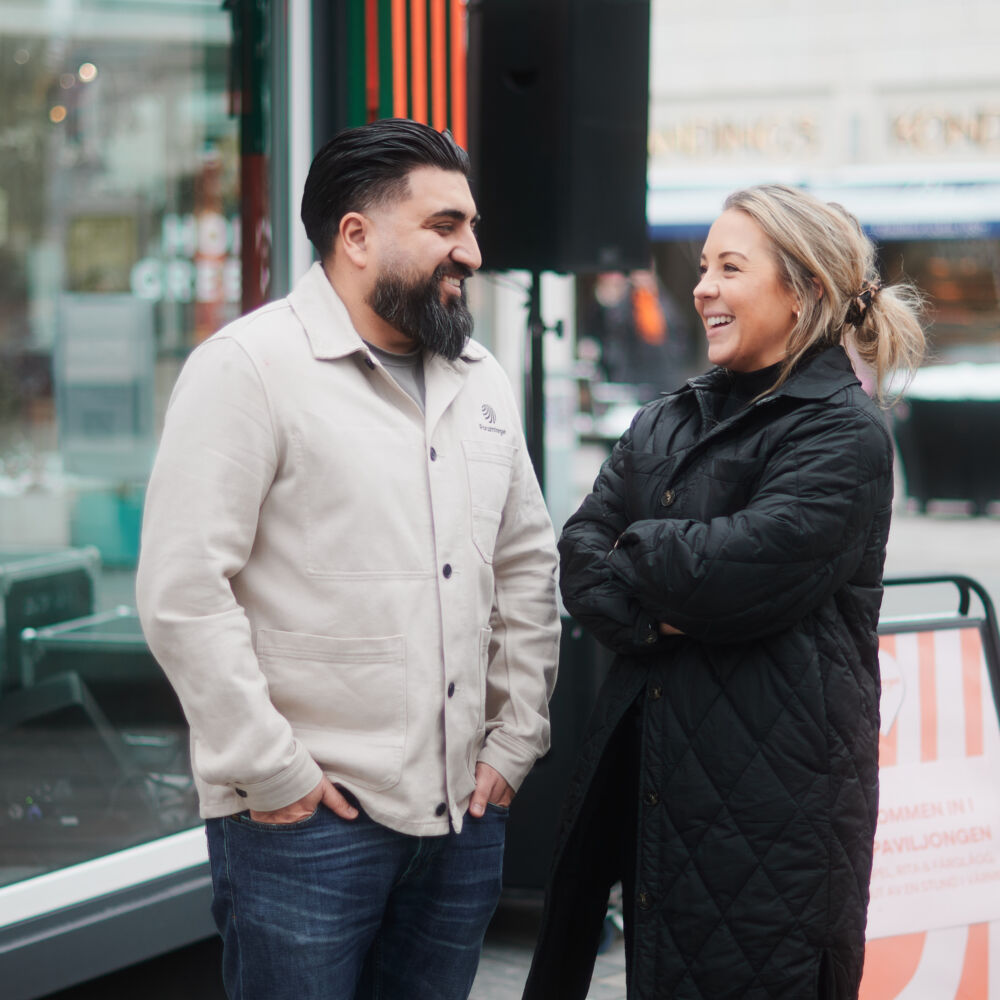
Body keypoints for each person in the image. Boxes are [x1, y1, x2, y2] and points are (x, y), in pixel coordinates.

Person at [135, 118, 561, 1000]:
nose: (472, 252)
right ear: (355, 237)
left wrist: (516, 740)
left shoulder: (478, 376)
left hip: (463, 818)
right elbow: (182, 592)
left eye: (471, 226)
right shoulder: (248, 370)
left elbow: (526, 563)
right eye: (445, 226)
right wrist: (274, 771)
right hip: (305, 826)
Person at [523, 184, 925, 1000]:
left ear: (804, 289)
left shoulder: (843, 433)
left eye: (729, 267)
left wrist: (641, 555)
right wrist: (661, 598)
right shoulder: (671, 416)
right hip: (657, 799)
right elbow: (578, 553)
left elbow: (737, 570)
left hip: (772, 825)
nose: (701, 285)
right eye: (703, 266)